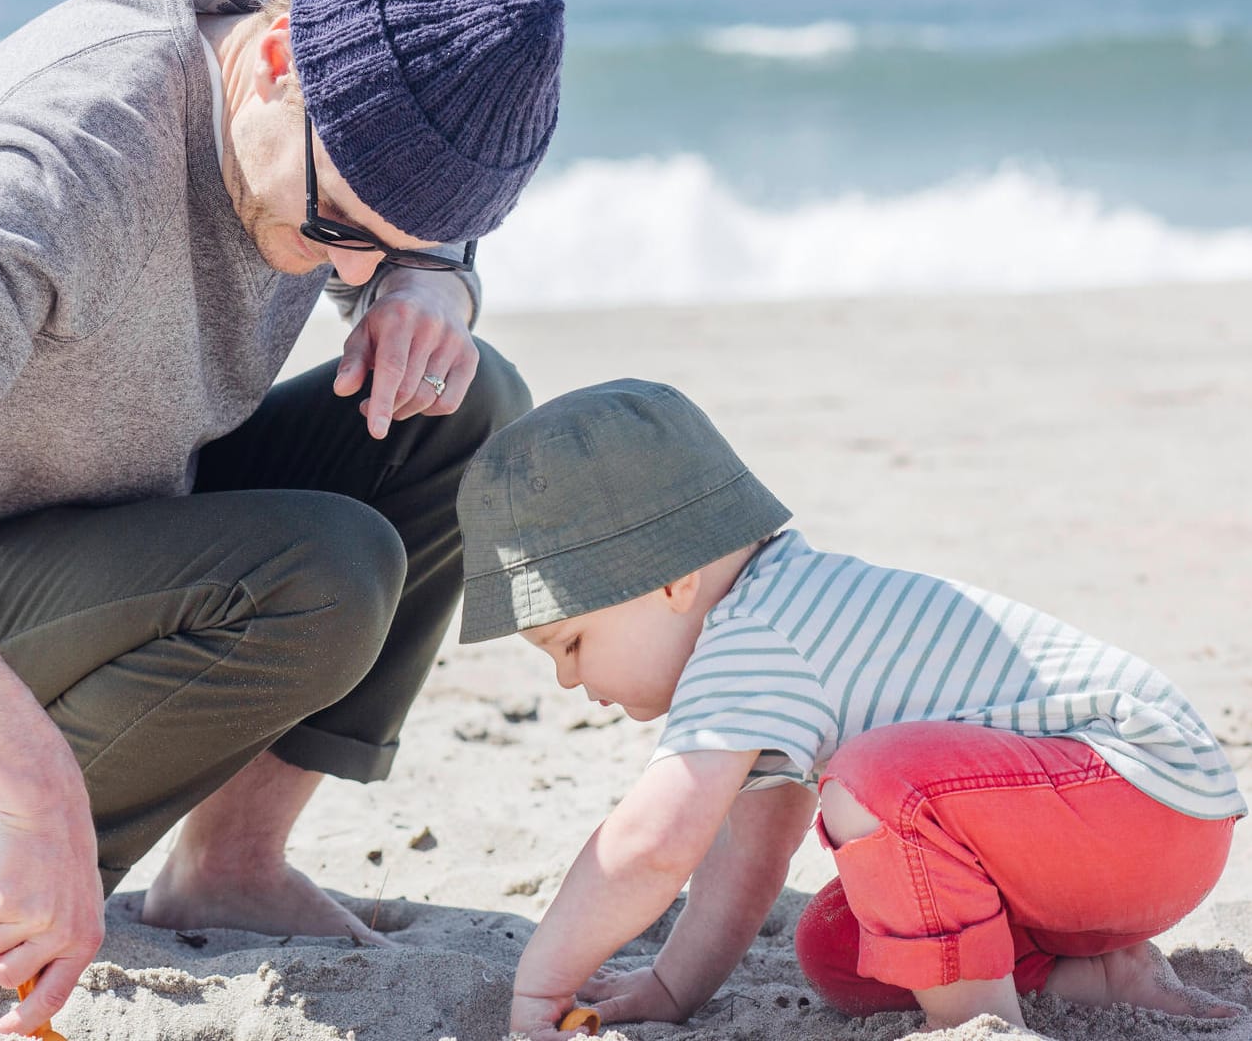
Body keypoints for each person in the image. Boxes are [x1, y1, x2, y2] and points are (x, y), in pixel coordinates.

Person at [0, 0, 561, 1032]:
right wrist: (35, 789)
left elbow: (396, 215)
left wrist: (431, 278)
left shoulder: (309, 132)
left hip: (82, 540)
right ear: (278, 56)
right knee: (329, 573)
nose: (348, 270)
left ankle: (231, 865)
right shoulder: (75, 157)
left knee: (459, 408)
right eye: (339, 228)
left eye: (394, 237)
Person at [453, 379, 1246, 1040]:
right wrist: (670, 987)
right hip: (1107, 832)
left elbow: (653, 846)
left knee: (873, 782)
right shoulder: (777, 634)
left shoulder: (754, 635)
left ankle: (979, 1025)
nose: (565, 680)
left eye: (570, 642)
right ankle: (1097, 975)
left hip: (1138, 793)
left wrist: (540, 987)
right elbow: (746, 859)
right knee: (842, 948)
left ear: (668, 581)